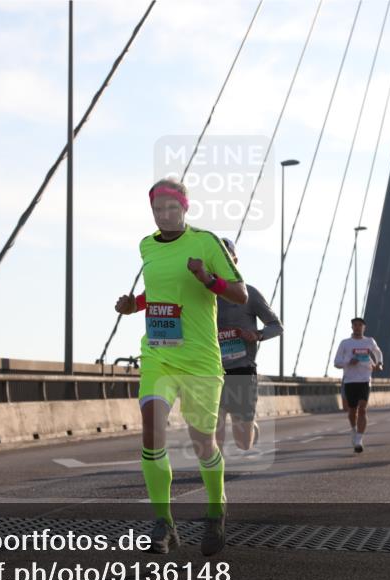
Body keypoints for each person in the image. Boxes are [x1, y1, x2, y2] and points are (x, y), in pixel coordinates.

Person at [115, 177, 247, 556]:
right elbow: (157, 294)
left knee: (202, 443)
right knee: (152, 432)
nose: (165, 215)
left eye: (172, 208)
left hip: (201, 360)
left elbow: (239, 291)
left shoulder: (206, 243)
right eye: (158, 209)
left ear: (186, 208)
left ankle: (216, 509)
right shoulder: (145, 246)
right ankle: (163, 523)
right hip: (158, 354)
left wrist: (206, 278)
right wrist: (133, 306)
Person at [214, 238, 283, 455]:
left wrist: (257, 334)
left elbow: (276, 326)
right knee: (214, 422)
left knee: (243, 442)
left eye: (227, 257)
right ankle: (216, 468)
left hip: (242, 368)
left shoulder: (249, 293)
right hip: (211, 368)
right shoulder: (203, 295)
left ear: (235, 260)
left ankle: (250, 426)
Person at [333, 317, 384, 453]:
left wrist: (379, 363)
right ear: (352, 327)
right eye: (355, 325)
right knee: (352, 411)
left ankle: (359, 440)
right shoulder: (345, 343)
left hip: (365, 380)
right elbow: (336, 362)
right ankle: (354, 430)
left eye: (360, 325)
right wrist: (349, 361)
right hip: (350, 381)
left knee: (362, 409)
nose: (357, 327)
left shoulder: (369, 341)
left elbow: (378, 353)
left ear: (364, 328)